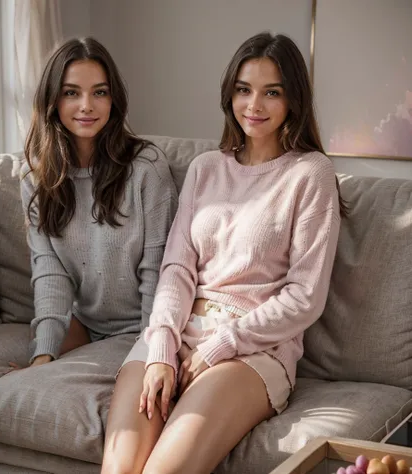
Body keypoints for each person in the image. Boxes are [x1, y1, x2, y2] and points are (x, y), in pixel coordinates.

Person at [101, 32, 346, 474]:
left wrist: (222, 344)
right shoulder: (206, 167)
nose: (254, 104)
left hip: (254, 348)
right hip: (178, 331)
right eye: (243, 89)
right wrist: (161, 348)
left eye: (272, 92)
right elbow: (177, 268)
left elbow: (305, 295)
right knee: (119, 468)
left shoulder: (311, 173)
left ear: (294, 99)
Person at [18, 37, 177, 369]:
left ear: (113, 99)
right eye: (71, 92)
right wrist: (44, 352)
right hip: (85, 323)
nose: (87, 105)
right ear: (52, 100)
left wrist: (150, 351)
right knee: (27, 380)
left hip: (146, 325)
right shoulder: (36, 177)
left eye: (99, 92)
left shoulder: (146, 167)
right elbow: (50, 272)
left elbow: (158, 270)